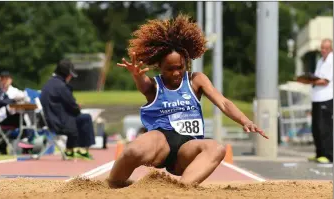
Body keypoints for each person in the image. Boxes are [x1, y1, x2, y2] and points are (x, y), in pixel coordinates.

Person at [107, 14, 268, 188]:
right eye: (170, 69)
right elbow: (143, 84)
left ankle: (181, 190)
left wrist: (245, 120)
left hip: (188, 146)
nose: (176, 73)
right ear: (159, 66)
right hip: (160, 140)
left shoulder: (196, 80)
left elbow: (222, 102)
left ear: (187, 64)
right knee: (133, 150)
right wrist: (137, 76)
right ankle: (112, 184)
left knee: (216, 149)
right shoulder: (154, 85)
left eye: (180, 68)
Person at [40, 59, 95, 160]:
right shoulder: (62, 86)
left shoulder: (48, 84)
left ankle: (71, 149)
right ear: (66, 74)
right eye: (70, 75)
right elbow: (73, 107)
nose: (70, 77)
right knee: (85, 118)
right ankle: (81, 150)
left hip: (51, 121)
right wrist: (77, 107)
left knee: (79, 118)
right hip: (60, 123)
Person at [296, 38, 333, 163]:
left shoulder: (331, 61)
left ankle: (328, 155)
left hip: (326, 98)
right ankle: (319, 153)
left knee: (325, 127)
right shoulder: (320, 61)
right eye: (322, 48)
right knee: (316, 127)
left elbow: (324, 81)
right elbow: (317, 78)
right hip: (316, 98)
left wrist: (308, 81)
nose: (323, 50)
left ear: (330, 49)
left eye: (326, 48)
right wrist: (307, 79)